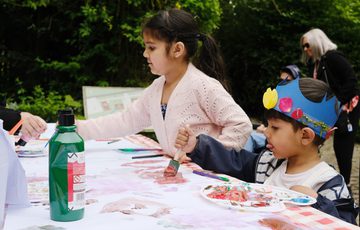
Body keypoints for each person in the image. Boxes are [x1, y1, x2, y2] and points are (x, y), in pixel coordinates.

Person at [175, 78, 358, 224]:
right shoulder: (268, 164)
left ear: (306, 136)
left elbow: (344, 223)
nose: (266, 132)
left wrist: (317, 202)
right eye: (267, 125)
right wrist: (197, 145)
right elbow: (233, 161)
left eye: (275, 128)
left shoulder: (329, 184)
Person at [76, 8, 252, 155]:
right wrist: (77, 128)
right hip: (177, 177)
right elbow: (125, 121)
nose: (145, 54)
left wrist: (212, 155)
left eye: (151, 47)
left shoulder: (203, 86)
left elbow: (240, 124)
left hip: (204, 180)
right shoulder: (156, 89)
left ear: (177, 49)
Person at [300, 28, 360, 187]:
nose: (305, 49)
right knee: (313, 139)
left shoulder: (333, 57)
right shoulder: (318, 63)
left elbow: (352, 83)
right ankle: (310, 175)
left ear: (316, 41)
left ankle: (345, 186)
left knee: (343, 148)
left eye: (307, 45)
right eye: (303, 47)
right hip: (329, 111)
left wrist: (336, 103)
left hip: (346, 111)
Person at [244, 64, 301, 152]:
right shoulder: (275, 96)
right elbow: (267, 119)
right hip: (266, 134)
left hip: (281, 140)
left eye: (287, 80)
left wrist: (267, 129)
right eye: (281, 80)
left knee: (249, 137)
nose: (283, 83)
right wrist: (265, 126)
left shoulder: (299, 101)